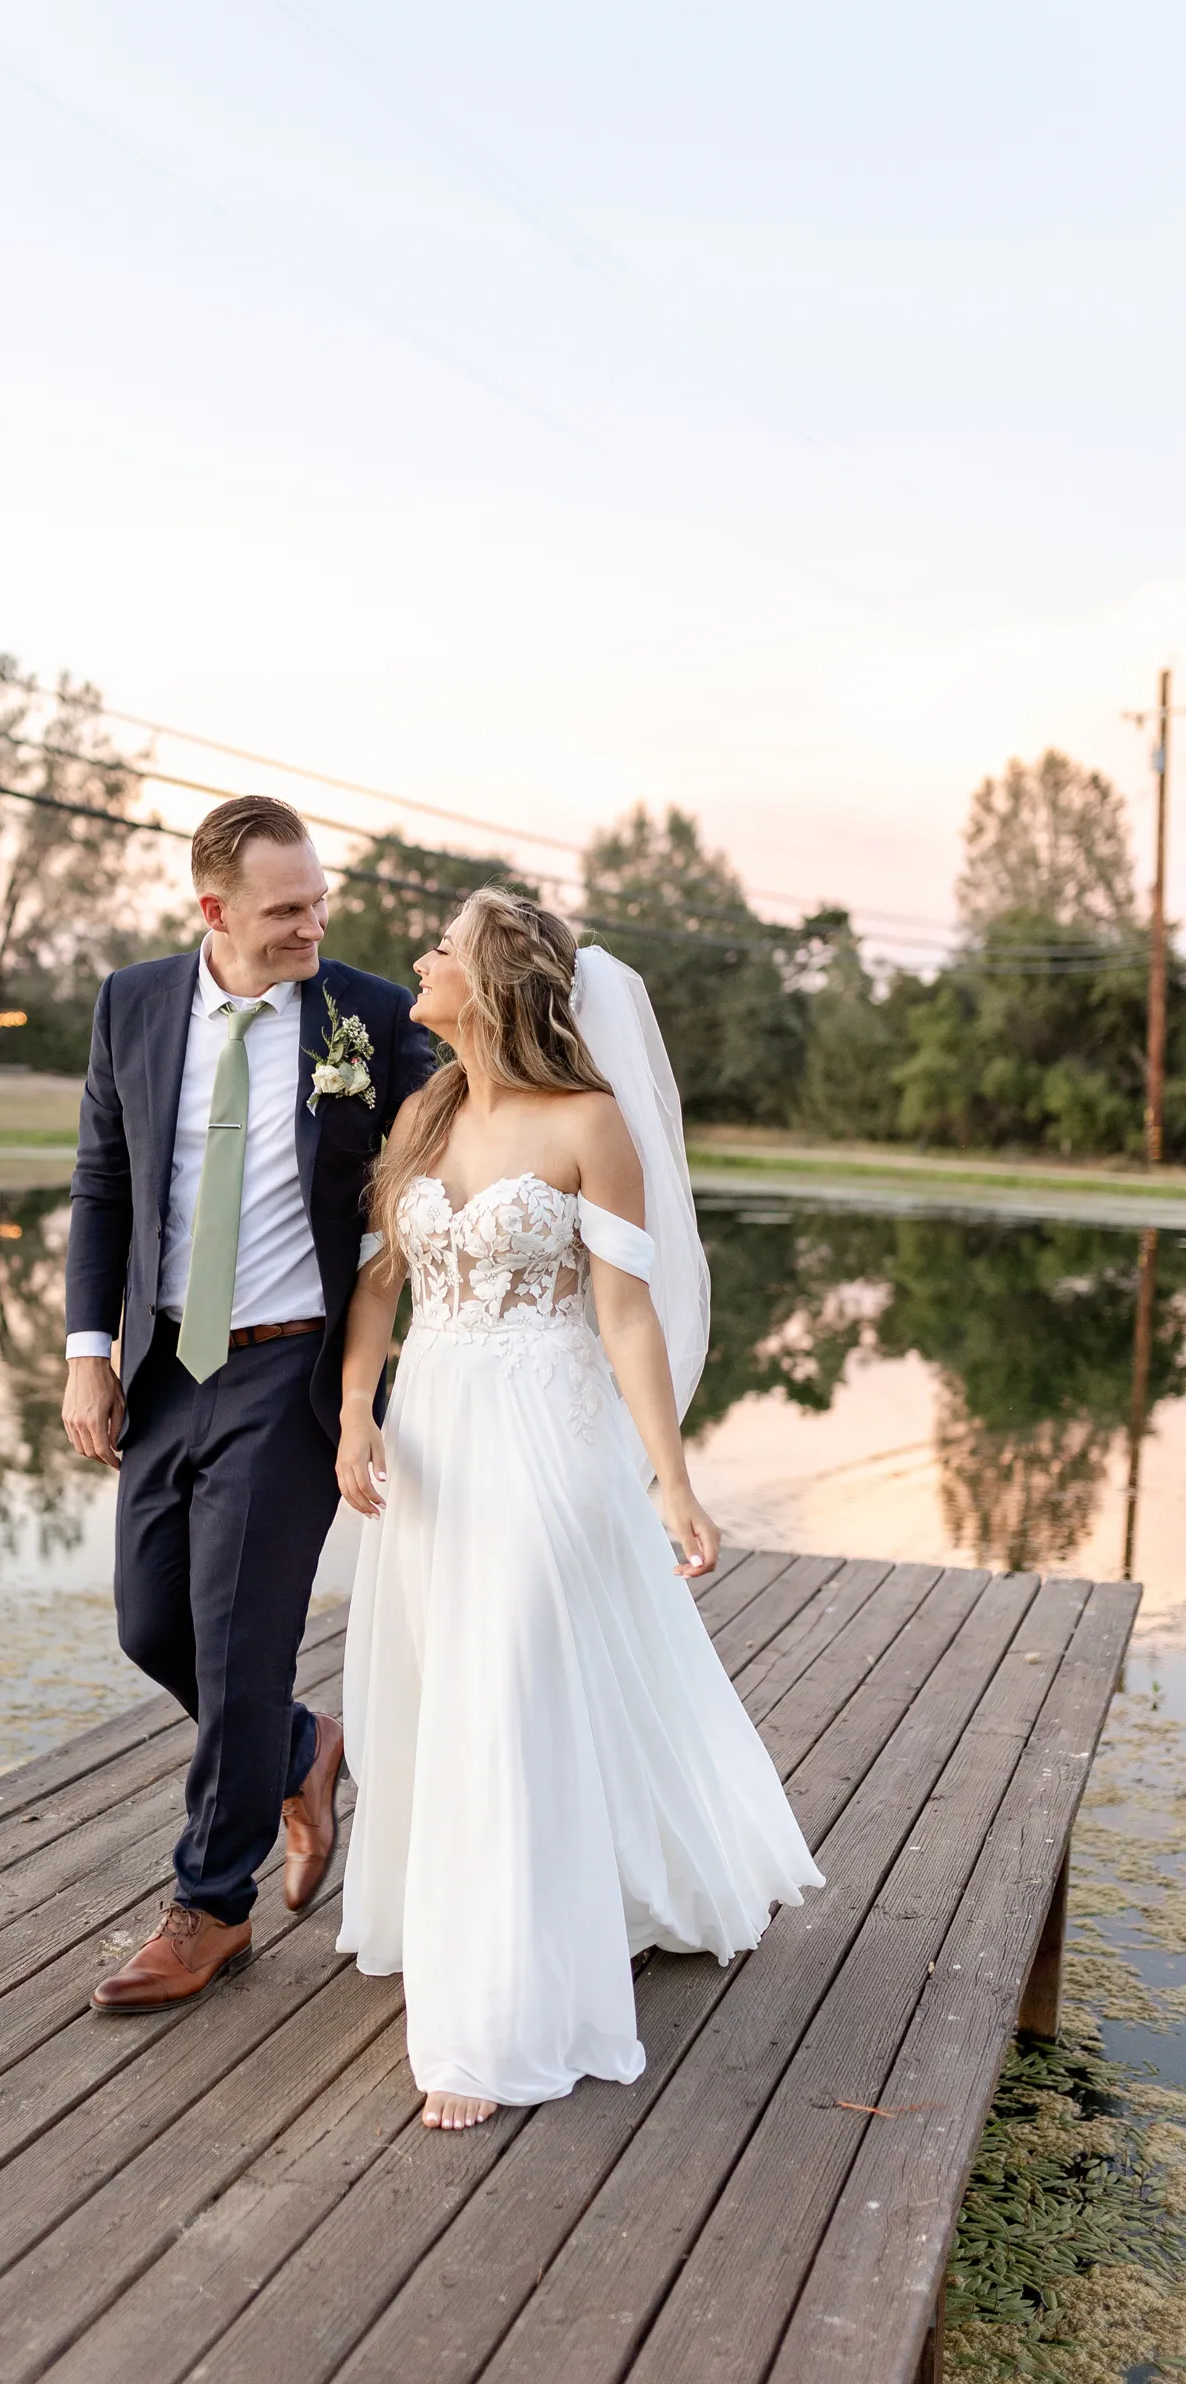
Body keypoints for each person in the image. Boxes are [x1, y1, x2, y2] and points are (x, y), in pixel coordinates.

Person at [334, 890, 824, 2130]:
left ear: (494, 982)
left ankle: (492, 2017)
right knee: (446, 1682)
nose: (421, 960)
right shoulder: (422, 1114)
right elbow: (381, 1289)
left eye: (441, 947)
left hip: (545, 1436)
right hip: (434, 1443)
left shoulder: (590, 1123)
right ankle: (535, 1900)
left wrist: (671, 1476)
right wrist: (355, 1410)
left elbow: (625, 1314)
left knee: (504, 1692)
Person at [63, 795, 437, 2011]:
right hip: (168, 1360)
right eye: (286, 909)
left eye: (319, 900)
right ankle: (299, 1748)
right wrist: (87, 1351)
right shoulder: (132, 1002)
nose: (312, 925)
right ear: (213, 910)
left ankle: (208, 1909)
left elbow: (459, 1137)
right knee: (150, 1627)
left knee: (236, 1642)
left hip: (294, 1367)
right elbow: (104, 1181)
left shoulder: (370, 1018)